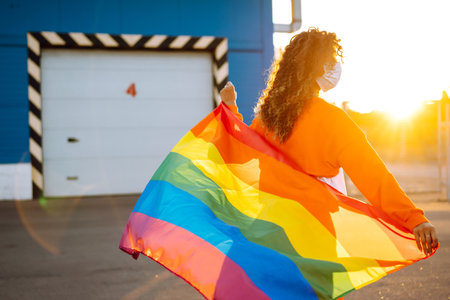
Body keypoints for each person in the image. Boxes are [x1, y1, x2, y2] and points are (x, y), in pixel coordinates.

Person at [219, 28, 438, 259]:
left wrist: (230, 109)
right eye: (331, 59)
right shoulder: (333, 120)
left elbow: (236, 155)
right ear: (317, 66)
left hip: (267, 232)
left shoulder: (268, 118)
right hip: (314, 238)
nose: (336, 66)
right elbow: (374, 177)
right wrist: (415, 220)